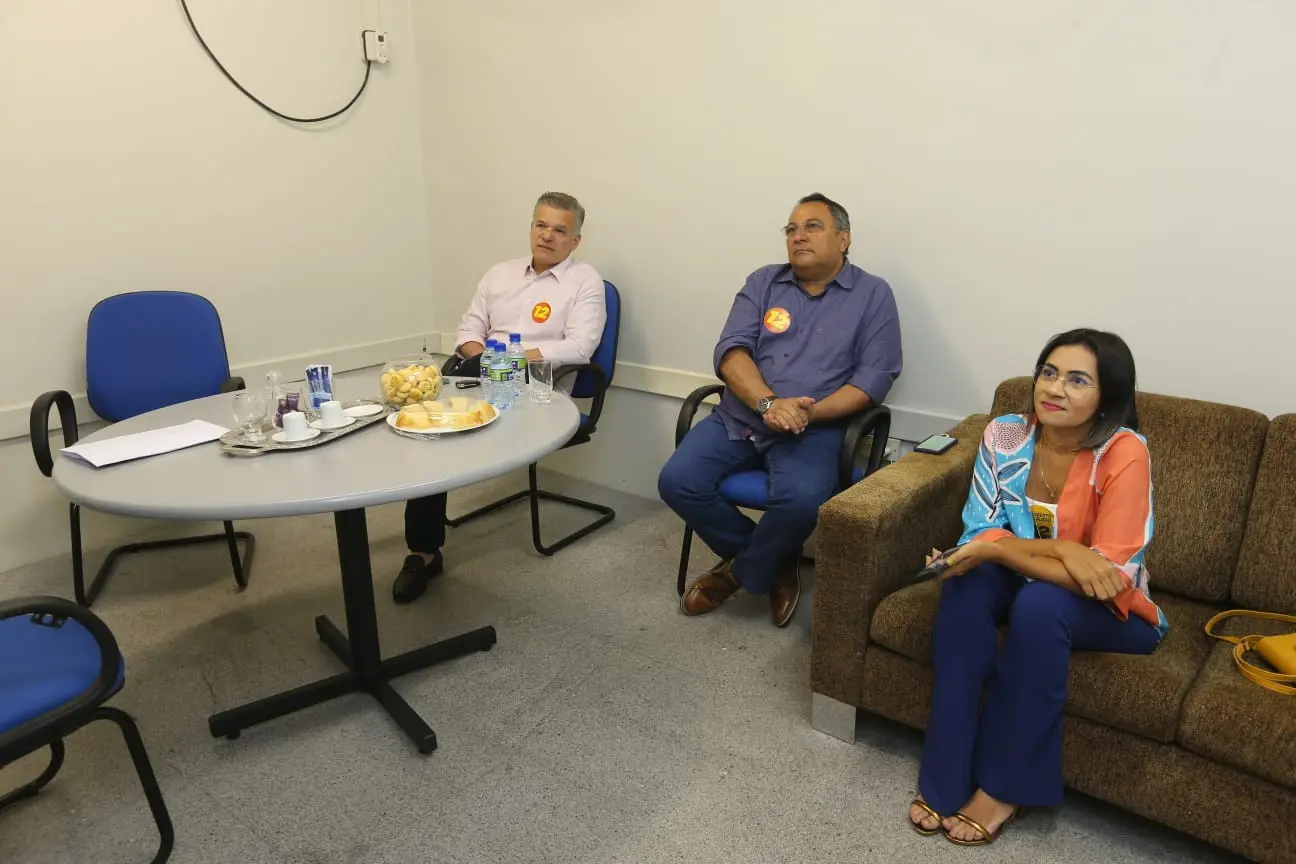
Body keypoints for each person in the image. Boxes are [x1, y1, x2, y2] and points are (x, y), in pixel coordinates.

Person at [907, 329, 1169, 846]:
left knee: (1040, 604)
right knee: (966, 583)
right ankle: (945, 775)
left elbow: (1108, 575)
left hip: (1116, 611)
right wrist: (1061, 550)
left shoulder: (1124, 451)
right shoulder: (1006, 433)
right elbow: (980, 529)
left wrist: (1001, 550)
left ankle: (1004, 789)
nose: (1055, 388)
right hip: (1021, 580)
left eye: (1077, 380)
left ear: (1107, 396)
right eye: (1048, 373)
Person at [658, 193, 903, 627]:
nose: (798, 236)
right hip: (741, 416)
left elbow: (873, 381)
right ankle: (774, 561)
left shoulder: (873, 295)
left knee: (801, 501)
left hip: (815, 428)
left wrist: (808, 413)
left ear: (844, 239)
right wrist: (768, 403)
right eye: (791, 229)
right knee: (677, 481)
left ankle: (738, 573)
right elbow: (731, 351)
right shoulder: (763, 282)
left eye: (812, 227)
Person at [394, 192, 607, 603]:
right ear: (531, 227)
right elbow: (468, 331)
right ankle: (423, 552)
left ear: (575, 241)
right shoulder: (499, 274)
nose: (547, 236)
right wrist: (485, 360)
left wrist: (507, 359)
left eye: (559, 230)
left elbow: (580, 348)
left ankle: (424, 547)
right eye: (541, 225)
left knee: (443, 432)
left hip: (536, 388)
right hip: (479, 374)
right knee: (429, 434)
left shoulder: (585, 281)